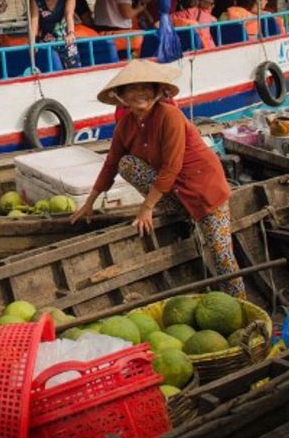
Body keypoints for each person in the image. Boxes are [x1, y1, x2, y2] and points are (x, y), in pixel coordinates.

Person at [70, 59, 243, 296]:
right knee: (126, 163)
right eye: (132, 88)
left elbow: (172, 167)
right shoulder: (125, 125)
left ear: (156, 91)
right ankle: (176, 210)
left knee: (221, 256)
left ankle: (239, 304)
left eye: (145, 88)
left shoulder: (170, 116)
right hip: (174, 194)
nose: (139, 93)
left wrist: (147, 207)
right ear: (121, 96)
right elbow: (111, 164)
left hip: (204, 190)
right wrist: (90, 202)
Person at [30, 0, 80, 67]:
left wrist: (71, 33)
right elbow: (34, 20)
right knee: (49, 69)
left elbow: (69, 14)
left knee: (73, 70)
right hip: (45, 43)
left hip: (66, 40)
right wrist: (32, 42)